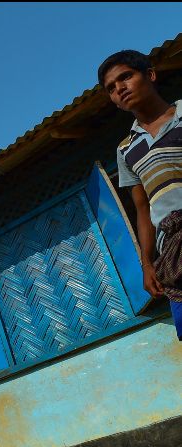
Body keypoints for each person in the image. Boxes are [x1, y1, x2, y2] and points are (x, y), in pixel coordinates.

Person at [99, 50, 182, 341]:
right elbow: (142, 210)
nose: (120, 88)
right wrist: (148, 264)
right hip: (173, 254)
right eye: (111, 88)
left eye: (126, 77)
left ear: (150, 75)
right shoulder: (126, 150)